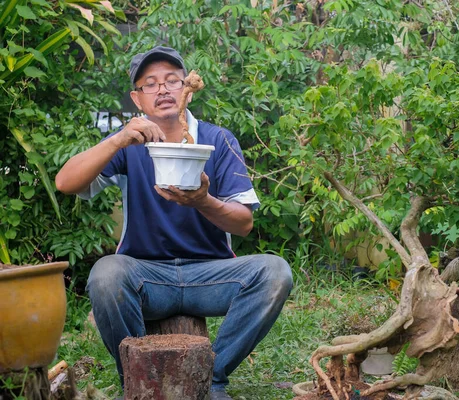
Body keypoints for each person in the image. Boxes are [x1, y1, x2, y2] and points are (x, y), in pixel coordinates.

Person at [55, 46, 293, 400]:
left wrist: (203, 201)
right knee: (106, 274)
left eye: (172, 81)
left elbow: (243, 223)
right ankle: (138, 380)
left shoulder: (217, 140)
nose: (163, 90)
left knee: (276, 272)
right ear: (138, 99)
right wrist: (117, 140)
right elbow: (65, 182)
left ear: (187, 88)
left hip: (211, 276)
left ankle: (212, 377)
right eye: (150, 84)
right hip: (147, 276)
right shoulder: (130, 141)